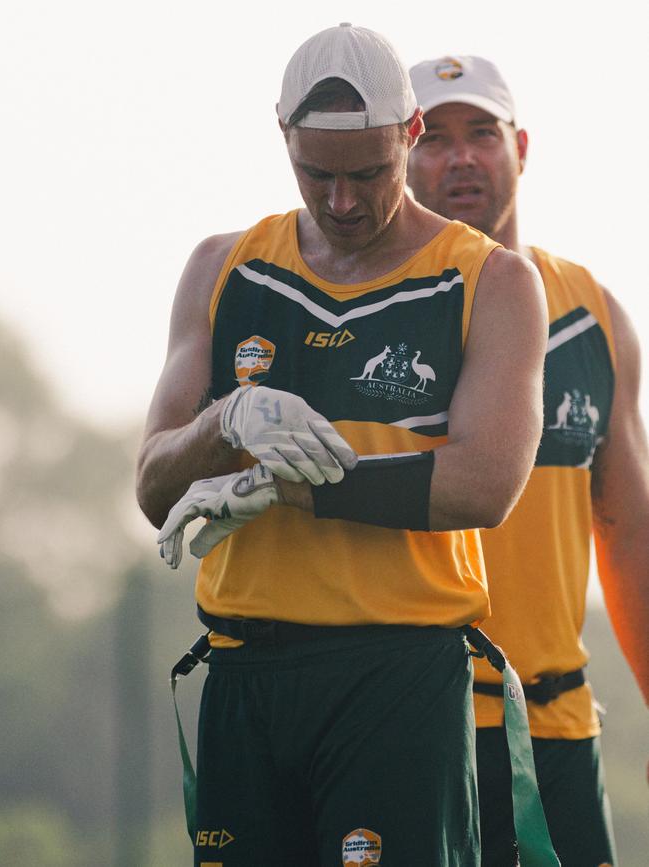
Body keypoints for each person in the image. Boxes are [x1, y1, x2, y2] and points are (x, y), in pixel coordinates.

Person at [136, 26, 548, 867]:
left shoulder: (491, 279)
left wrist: (291, 487)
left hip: (395, 678)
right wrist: (223, 426)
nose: (344, 201)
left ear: (411, 134)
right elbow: (152, 482)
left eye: (369, 173)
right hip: (244, 674)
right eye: (317, 174)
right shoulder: (224, 266)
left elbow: (482, 485)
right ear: (282, 135)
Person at [408, 54, 649, 867]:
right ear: (401, 154)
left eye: (482, 132)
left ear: (522, 147)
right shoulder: (377, 306)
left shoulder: (593, 312)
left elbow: (629, 535)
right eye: (434, 137)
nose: (461, 156)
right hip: (414, 723)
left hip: (556, 730)